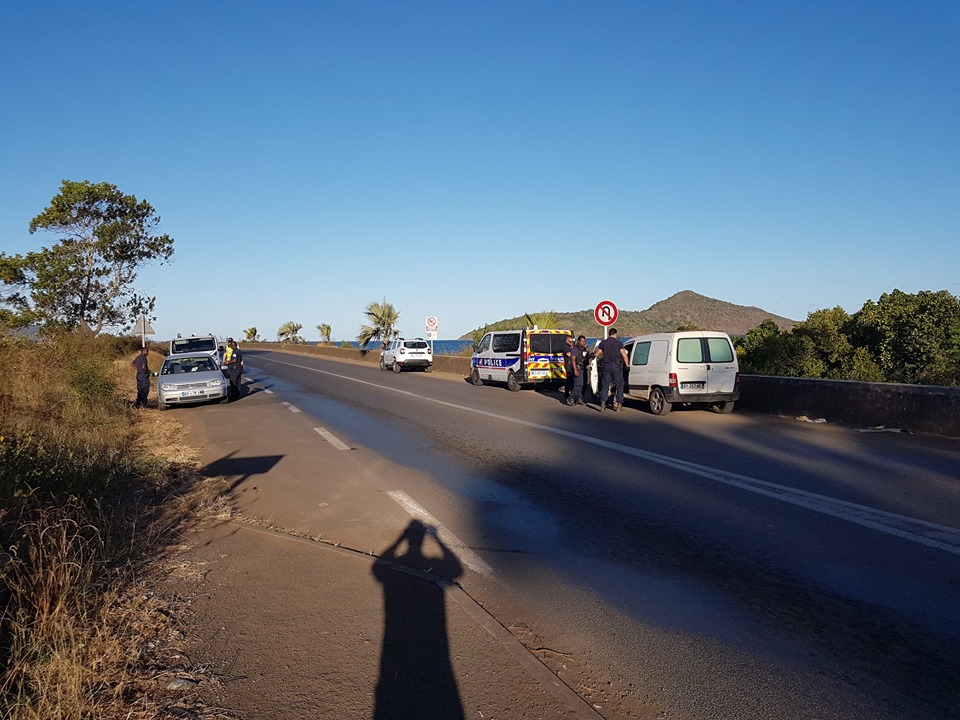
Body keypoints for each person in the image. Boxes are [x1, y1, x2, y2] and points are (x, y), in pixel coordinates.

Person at [594, 327, 629, 412]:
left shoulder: (603, 343)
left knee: (605, 385)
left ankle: (603, 404)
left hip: (606, 366)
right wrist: (627, 365)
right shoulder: (619, 343)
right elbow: (624, 355)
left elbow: (597, 354)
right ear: (615, 334)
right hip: (616, 366)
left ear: (609, 334)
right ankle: (619, 405)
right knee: (619, 385)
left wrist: (592, 356)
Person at [567, 335, 588, 406]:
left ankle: (579, 399)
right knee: (578, 384)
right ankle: (571, 398)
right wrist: (575, 370)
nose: (584, 343)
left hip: (583, 369)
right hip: (578, 368)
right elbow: (573, 360)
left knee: (582, 385)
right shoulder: (575, 349)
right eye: (582, 341)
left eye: (585, 341)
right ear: (578, 341)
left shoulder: (584, 349)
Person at [221, 338, 244, 402]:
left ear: (233, 346)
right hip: (239, 368)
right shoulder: (239, 350)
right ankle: (238, 394)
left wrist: (227, 362)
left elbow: (234, 360)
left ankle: (234, 395)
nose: (230, 346)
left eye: (231, 345)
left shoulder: (235, 352)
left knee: (233, 382)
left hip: (234, 368)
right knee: (238, 382)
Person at [561, 335, 576, 403]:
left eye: (572, 341)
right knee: (569, 379)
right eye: (570, 341)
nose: (571, 343)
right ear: (567, 341)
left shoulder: (572, 346)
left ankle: (571, 393)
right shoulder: (565, 346)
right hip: (568, 364)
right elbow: (569, 354)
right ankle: (567, 394)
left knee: (572, 379)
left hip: (573, 364)